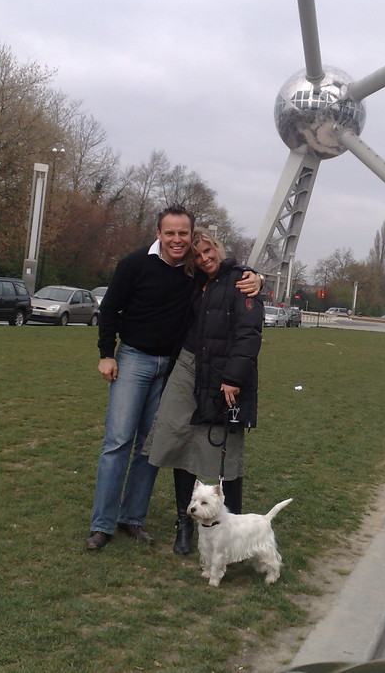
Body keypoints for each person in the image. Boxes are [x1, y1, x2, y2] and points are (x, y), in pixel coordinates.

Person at [85, 207, 261, 551]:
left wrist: (255, 277)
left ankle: (131, 519)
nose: (177, 240)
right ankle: (102, 525)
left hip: (173, 365)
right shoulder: (134, 264)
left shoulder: (193, 270)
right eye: (170, 233)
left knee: (151, 447)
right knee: (118, 442)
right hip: (133, 359)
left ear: (191, 234)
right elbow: (110, 309)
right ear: (158, 233)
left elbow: (224, 269)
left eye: (183, 234)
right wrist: (107, 353)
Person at [143, 230, 265, 555]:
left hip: (224, 373)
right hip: (188, 367)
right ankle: (184, 523)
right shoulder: (193, 282)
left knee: (222, 451)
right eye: (197, 255)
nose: (204, 258)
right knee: (179, 438)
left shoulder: (240, 279)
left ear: (217, 248)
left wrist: (233, 377)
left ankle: (231, 530)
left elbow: (249, 332)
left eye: (208, 251)